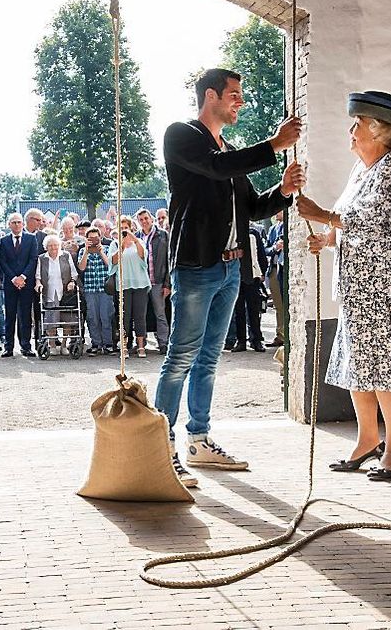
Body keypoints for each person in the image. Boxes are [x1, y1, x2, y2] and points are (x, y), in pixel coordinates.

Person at [156, 67, 304, 488]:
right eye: (234, 95)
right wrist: (274, 144)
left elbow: (252, 208)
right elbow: (217, 168)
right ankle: (160, 446)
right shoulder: (181, 135)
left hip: (229, 269)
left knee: (208, 360)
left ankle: (198, 440)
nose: (240, 102)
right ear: (210, 96)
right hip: (197, 267)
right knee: (181, 358)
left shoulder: (230, 150)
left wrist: (283, 192)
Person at [296, 91, 391, 481]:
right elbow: (349, 223)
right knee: (358, 365)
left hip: (384, 284)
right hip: (357, 284)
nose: (351, 131)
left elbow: (375, 221)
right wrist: (326, 237)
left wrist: (323, 215)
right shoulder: (361, 171)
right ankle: (368, 440)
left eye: (358, 125)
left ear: (379, 132)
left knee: (384, 365)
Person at [108, 216, 150, 358]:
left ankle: (141, 346)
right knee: (124, 317)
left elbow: (143, 257)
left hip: (140, 284)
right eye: (121, 228)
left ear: (131, 228)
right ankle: (124, 347)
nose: (124, 231)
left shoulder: (140, 242)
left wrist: (134, 240)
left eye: (126, 228)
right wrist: (122, 245)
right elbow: (112, 262)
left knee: (140, 316)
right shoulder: (114, 244)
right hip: (124, 284)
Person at [0, 213, 39, 357]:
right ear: (9, 224)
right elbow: (2, 262)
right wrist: (14, 278)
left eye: (19, 222)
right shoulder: (3, 241)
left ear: (23, 224)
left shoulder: (31, 238)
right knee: (10, 315)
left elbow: (33, 259)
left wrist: (22, 277)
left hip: (26, 283)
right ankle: (8, 347)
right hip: (10, 284)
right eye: (13, 222)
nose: (16, 225)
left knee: (25, 316)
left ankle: (26, 346)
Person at [224, 226, 270, 352]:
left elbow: (261, 254)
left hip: (252, 276)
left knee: (254, 310)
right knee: (238, 311)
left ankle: (256, 340)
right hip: (236, 276)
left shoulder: (254, 233)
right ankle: (241, 341)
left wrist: (262, 272)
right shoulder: (232, 233)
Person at [35, 234, 79, 355]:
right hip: (49, 292)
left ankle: (64, 345)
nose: (53, 248)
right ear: (46, 247)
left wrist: (72, 282)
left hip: (65, 292)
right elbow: (38, 276)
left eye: (56, 245)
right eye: (50, 246)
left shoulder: (66, 255)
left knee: (67, 319)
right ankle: (52, 345)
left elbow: (74, 273)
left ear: (59, 246)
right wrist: (38, 284)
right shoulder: (42, 258)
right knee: (51, 320)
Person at [136, 208, 171, 354]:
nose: (144, 221)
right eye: (141, 220)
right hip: (141, 282)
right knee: (140, 314)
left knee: (160, 313)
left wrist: (167, 283)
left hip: (157, 280)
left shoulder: (163, 235)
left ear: (151, 219)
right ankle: (141, 344)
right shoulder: (135, 237)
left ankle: (163, 343)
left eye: (146, 218)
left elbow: (169, 260)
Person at [77, 226, 115, 355]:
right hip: (90, 289)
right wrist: (87, 251)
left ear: (100, 238)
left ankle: (108, 344)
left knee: (106, 317)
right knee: (92, 318)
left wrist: (101, 252)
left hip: (105, 289)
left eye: (96, 238)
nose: (94, 241)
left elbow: (110, 266)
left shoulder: (107, 249)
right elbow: (81, 268)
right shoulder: (83, 250)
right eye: (90, 238)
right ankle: (96, 343)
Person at [265, 211, 286, 347]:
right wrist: (275, 247)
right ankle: (280, 335)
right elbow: (265, 249)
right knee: (278, 305)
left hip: (284, 268)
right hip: (274, 269)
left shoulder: (288, 226)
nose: (275, 213)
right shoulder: (273, 229)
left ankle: (285, 333)